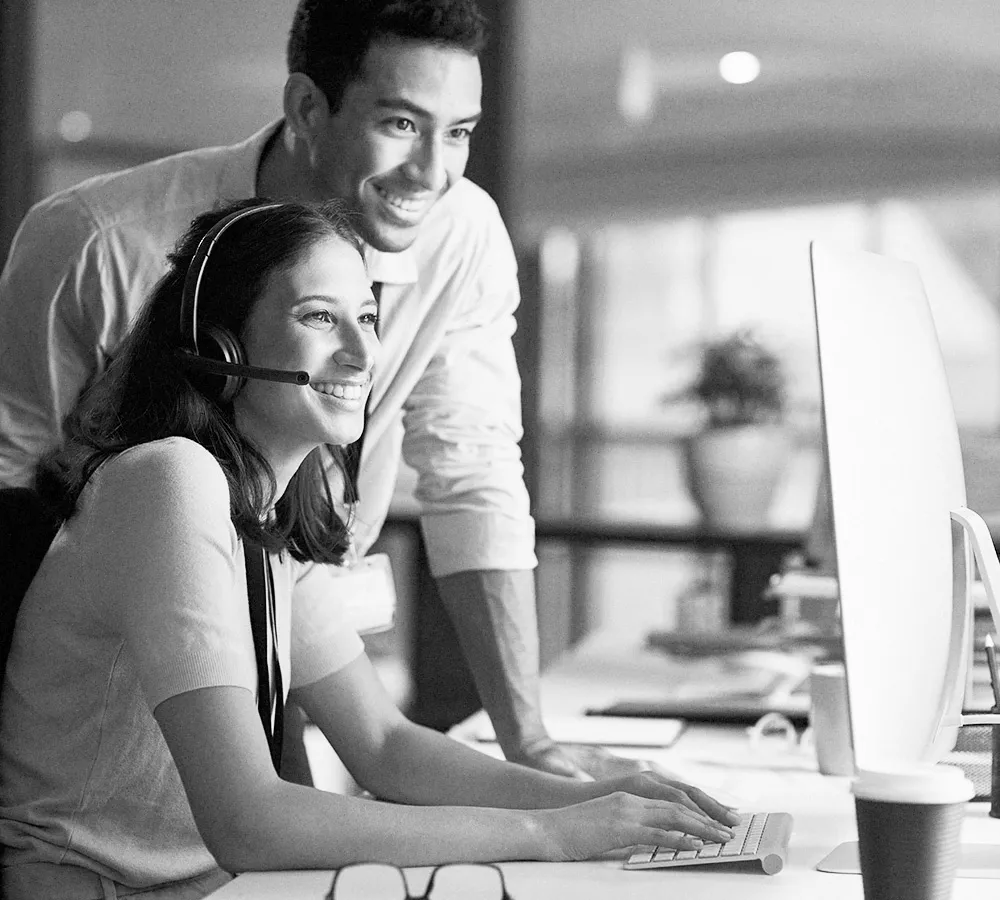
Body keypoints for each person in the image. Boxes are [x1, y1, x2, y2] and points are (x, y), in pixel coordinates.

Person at [0, 199, 741, 900]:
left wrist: (594, 800)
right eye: (319, 317)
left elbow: (384, 743)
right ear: (220, 349)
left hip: (213, 887)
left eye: (367, 317)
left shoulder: (269, 498)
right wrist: (549, 833)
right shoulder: (168, 479)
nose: (361, 352)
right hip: (103, 887)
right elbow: (248, 821)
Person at [0, 0, 641, 783]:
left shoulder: (459, 231)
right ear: (308, 106)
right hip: (112, 684)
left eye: (460, 132)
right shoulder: (96, 242)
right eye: (401, 124)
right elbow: (12, 493)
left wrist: (533, 746)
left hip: (297, 616)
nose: (433, 171)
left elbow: (474, 476)